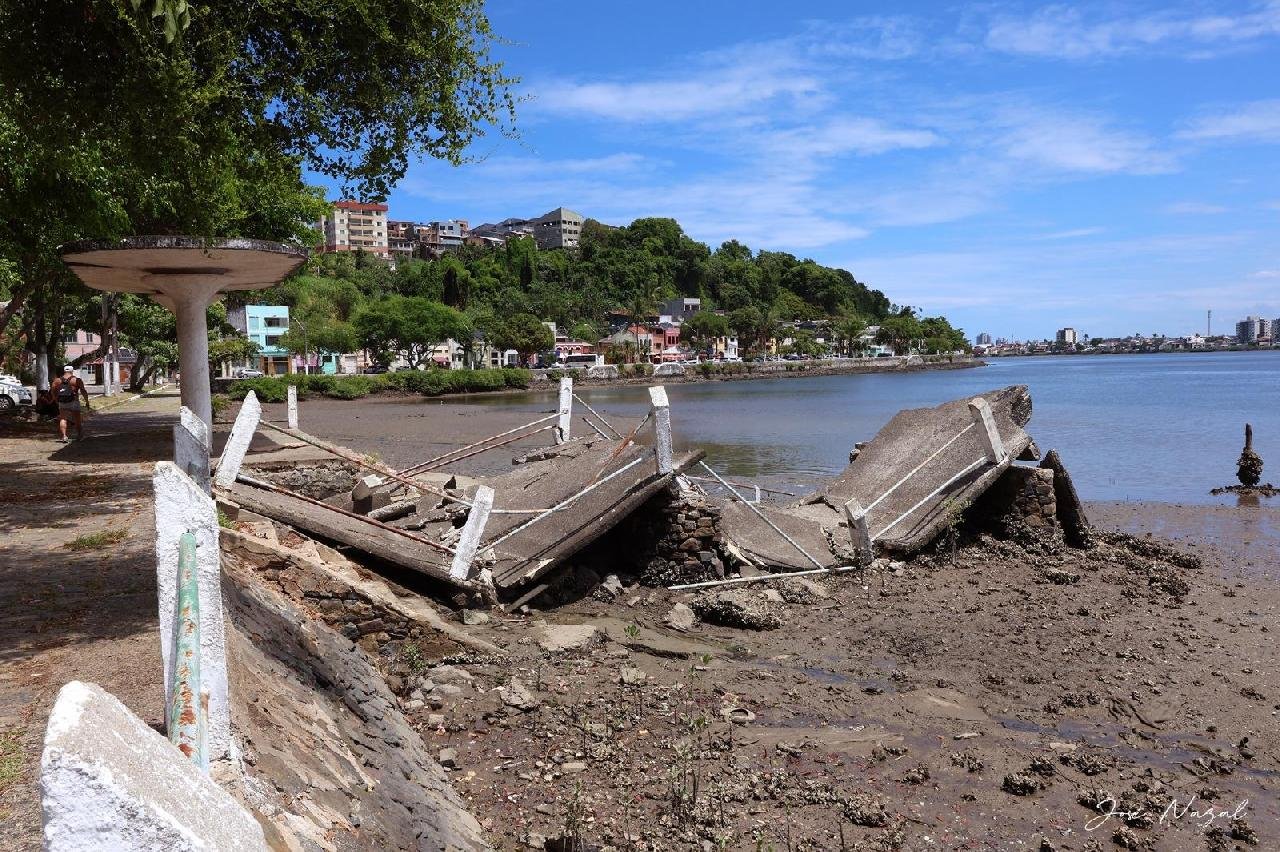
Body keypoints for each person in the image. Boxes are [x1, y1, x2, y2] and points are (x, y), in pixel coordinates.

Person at [50, 365, 90, 442]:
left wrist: (55, 399)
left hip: (62, 401)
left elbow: (53, 391)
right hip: (74, 401)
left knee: (63, 419)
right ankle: (79, 435)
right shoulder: (77, 380)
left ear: (64, 371)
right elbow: (83, 391)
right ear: (72, 371)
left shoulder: (57, 380)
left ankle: (64, 436)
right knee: (77, 419)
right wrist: (87, 401)